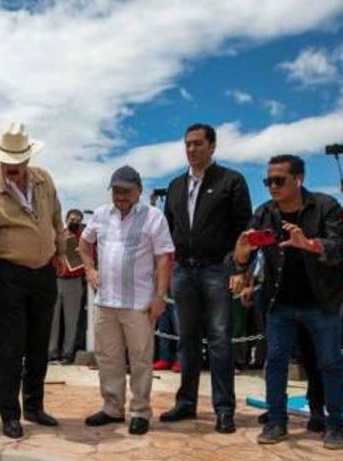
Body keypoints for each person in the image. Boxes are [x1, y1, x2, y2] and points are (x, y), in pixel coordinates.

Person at [232, 155, 343, 449]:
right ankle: (276, 421)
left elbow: (338, 248)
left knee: (329, 363)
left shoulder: (326, 206)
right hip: (279, 303)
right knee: (275, 363)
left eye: (279, 180)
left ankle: (334, 424)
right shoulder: (265, 213)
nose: (272, 186)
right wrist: (241, 258)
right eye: (268, 181)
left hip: (321, 301)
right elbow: (246, 252)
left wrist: (310, 245)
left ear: (299, 179)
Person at [0, 123, 67, 439]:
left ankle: (34, 407)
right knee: (11, 348)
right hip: (10, 272)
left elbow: (56, 217)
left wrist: (61, 252)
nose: (12, 168)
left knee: (39, 344)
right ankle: (10, 415)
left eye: (17, 163)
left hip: (44, 271)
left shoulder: (44, 179)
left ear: (27, 159)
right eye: (6, 163)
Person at [160, 123, 251, 433]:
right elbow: (168, 230)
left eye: (198, 144)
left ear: (212, 146)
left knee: (220, 343)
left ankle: (224, 409)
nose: (191, 149)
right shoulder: (174, 186)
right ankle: (185, 403)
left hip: (217, 269)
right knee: (185, 342)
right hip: (183, 271)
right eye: (187, 144)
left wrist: (239, 269)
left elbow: (244, 230)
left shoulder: (231, 181)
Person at [79, 166, 175, 435]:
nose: (120, 196)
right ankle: (111, 408)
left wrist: (161, 296)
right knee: (108, 357)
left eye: (126, 191)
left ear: (139, 190)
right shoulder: (100, 215)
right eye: (116, 191)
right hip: (106, 301)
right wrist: (89, 269)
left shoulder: (153, 217)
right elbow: (84, 244)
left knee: (141, 359)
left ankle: (140, 411)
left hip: (139, 303)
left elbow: (163, 258)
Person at [49, 209, 86, 364]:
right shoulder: (58, 235)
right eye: (72, 219)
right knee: (53, 319)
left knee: (71, 320)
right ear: (66, 219)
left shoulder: (84, 238)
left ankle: (67, 354)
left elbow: (90, 258)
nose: (74, 222)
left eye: (77, 220)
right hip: (56, 280)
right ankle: (51, 353)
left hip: (75, 282)